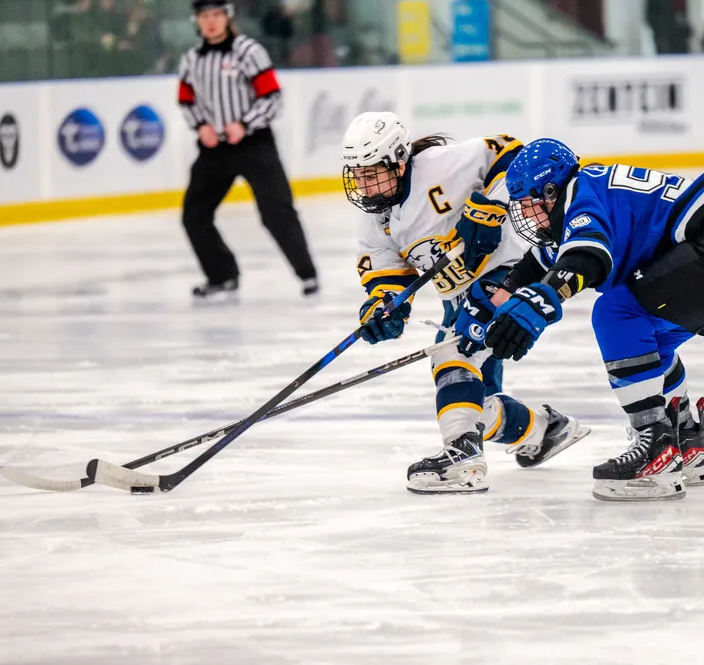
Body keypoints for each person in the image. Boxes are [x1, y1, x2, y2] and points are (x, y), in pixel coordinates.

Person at [484, 139, 704, 502]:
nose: (527, 216)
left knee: (616, 313)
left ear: (551, 190)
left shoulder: (581, 194)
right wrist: (486, 313)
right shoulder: (582, 195)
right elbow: (532, 270)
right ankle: (684, 438)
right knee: (649, 339)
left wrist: (539, 303)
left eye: (530, 205)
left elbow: (584, 258)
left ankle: (654, 447)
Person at [340, 112, 591, 494]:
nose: (364, 185)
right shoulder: (376, 221)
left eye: (371, 173)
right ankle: (545, 430)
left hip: (511, 271)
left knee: (452, 353)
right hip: (457, 296)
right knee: (474, 400)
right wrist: (383, 307)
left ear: (400, 161)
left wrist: (488, 209)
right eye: (357, 175)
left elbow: (510, 152)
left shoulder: (440, 166)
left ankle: (463, 457)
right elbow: (386, 277)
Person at [178, 0, 319, 301]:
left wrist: (244, 123)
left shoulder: (249, 51)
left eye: (216, 15)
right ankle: (222, 275)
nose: (211, 22)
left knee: (276, 210)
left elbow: (272, 98)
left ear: (227, 17)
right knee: (194, 214)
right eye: (204, 16)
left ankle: (307, 274)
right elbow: (186, 100)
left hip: (255, 144)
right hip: (214, 149)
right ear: (197, 21)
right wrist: (200, 125)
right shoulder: (191, 60)